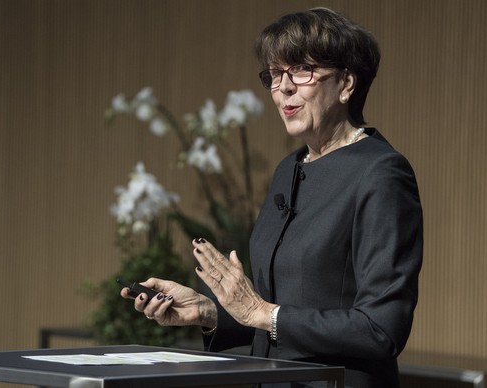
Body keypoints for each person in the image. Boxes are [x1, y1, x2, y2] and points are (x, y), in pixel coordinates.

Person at [121, 7, 423, 388]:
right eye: (275, 74)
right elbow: (277, 307)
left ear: (346, 84)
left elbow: (381, 329)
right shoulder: (289, 168)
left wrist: (261, 313)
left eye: (301, 70)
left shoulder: (380, 173)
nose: (283, 88)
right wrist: (208, 311)